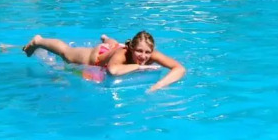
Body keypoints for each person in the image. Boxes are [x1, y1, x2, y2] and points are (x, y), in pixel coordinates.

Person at [21, 31, 185, 92]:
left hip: (115, 48)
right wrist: (139, 67)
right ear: (131, 48)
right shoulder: (122, 53)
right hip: (97, 57)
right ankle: (38, 40)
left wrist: (158, 85)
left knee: (114, 45)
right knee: (66, 53)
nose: (143, 56)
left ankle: (107, 38)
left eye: (147, 52)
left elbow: (179, 68)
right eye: (139, 51)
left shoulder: (151, 54)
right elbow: (112, 71)